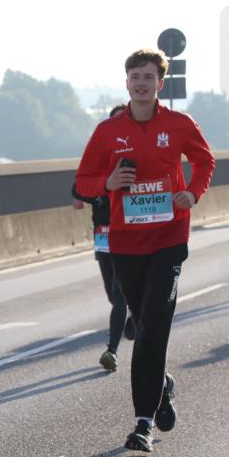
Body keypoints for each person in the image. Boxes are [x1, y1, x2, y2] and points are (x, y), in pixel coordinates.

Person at [76, 49, 215, 453]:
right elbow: (82, 182)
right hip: (125, 243)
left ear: (160, 83)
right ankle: (162, 383)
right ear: (126, 83)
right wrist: (108, 182)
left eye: (148, 77)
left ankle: (143, 423)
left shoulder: (179, 124)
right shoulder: (107, 132)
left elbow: (205, 161)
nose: (141, 83)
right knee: (144, 327)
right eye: (135, 76)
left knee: (152, 326)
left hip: (169, 240)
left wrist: (192, 191)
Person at [73, 104, 136, 372]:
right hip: (103, 236)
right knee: (113, 294)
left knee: (119, 296)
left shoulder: (135, 160)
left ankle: (111, 350)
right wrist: (93, 190)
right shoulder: (100, 159)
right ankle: (132, 317)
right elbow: (78, 188)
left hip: (128, 235)